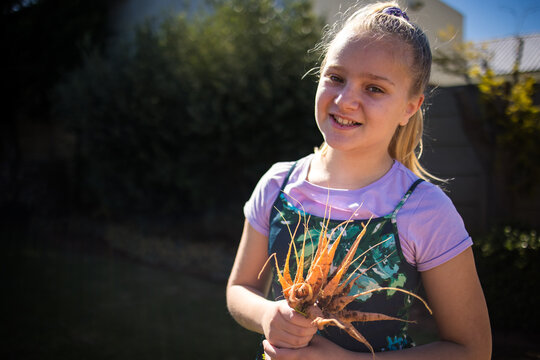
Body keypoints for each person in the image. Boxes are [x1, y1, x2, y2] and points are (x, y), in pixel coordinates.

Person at [226, 2, 492, 359]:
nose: (346, 99)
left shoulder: (425, 209)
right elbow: (239, 288)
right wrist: (267, 314)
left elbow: (473, 349)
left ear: (410, 107)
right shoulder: (278, 185)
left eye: (375, 89)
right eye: (335, 77)